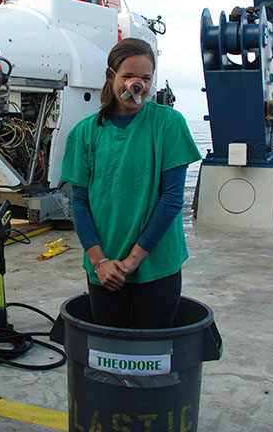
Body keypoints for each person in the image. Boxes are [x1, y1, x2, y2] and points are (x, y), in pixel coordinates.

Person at [61, 38, 201, 329]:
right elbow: (80, 202)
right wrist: (99, 261)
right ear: (111, 76)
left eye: (145, 79)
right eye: (127, 77)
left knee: (152, 352)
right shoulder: (84, 133)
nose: (137, 86)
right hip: (104, 268)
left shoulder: (168, 124)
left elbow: (172, 197)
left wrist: (135, 258)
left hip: (157, 264)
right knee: (111, 351)